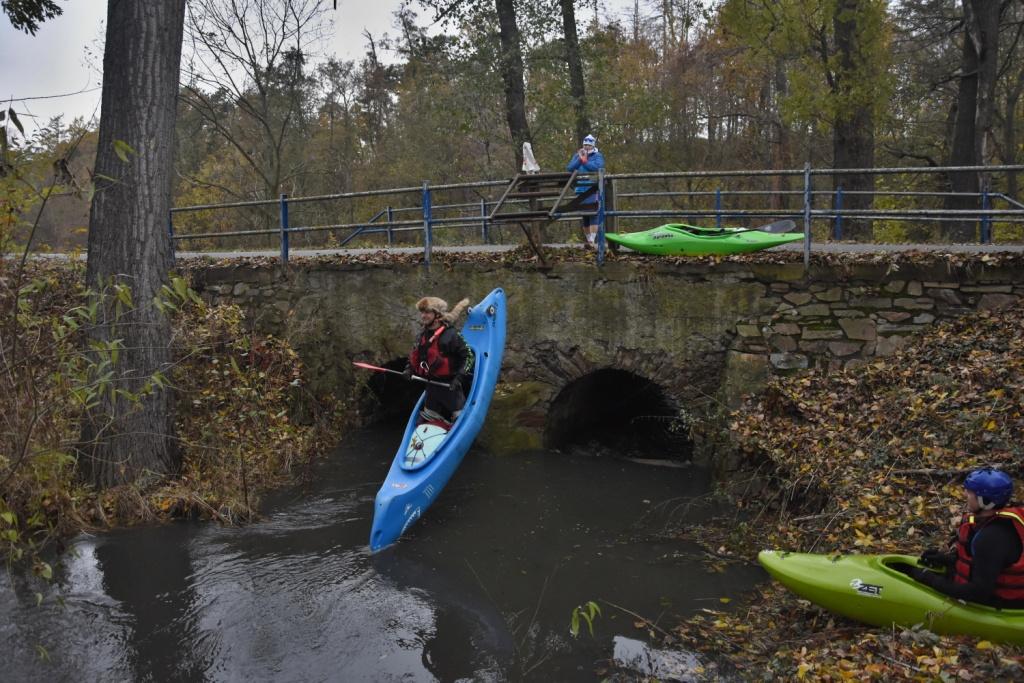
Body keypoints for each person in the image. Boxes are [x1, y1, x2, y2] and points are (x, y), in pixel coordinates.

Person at [892, 467, 1024, 608]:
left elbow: (978, 592)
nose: (965, 494)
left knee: (921, 578)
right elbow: (986, 564)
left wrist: (927, 578)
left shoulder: (991, 537)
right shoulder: (990, 523)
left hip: (1002, 603)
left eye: (970, 493)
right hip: (988, 589)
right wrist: (947, 560)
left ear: (985, 501)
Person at [404, 296, 474, 427]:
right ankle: (439, 421)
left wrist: (459, 378)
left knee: (461, 422)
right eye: (422, 312)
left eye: (427, 312)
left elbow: (468, 357)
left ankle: (456, 420)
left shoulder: (451, 335)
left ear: (437, 315)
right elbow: (414, 356)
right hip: (432, 388)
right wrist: (409, 369)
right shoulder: (422, 335)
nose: (423, 316)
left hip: (451, 388)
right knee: (421, 424)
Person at [565, 134, 605, 248]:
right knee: (584, 215)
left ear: (592, 145)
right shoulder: (577, 155)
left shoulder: (597, 155)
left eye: (588, 145)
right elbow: (570, 168)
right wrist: (580, 159)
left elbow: (598, 167)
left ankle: (592, 239)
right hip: (579, 188)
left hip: (592, 188)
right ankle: (589, 241)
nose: (586, 147)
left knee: (593, 212)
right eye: (585, 145)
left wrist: (585, 161)